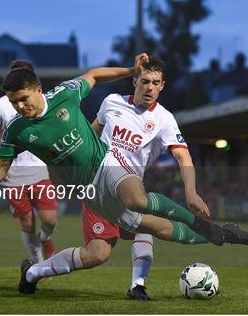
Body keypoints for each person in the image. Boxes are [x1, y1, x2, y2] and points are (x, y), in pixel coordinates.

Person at [0, 53, 248, 295]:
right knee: (126, 243)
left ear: (38, 90)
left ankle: (205, 228)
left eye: (24, 99)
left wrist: (129, 70)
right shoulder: (16, 129)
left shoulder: (65, 95)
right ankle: (31, 273)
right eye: (14, 102)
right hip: (90, 193)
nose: (20, 106)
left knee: (136, 198)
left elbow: (93, 75)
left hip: (108, 166)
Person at [84, 55, 202, 300]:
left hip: (130, 190)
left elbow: (183, 156)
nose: (149, 87)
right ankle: (34, 272)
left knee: (144, 226)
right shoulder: (111, 102)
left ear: (162, 86)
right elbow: (91, 135)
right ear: (134, 80)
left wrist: (191, 191)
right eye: (145, 81)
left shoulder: (164, 119)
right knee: (97, 255)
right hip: (99, 188)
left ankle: (138, 285)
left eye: (155, 83)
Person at [0, 61, 58, 262]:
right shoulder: (0, 105)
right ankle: (39, 264)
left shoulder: (44, 102)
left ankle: (46, 239)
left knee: (50, 220)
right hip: (13, 174)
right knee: (26, 221)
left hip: (39, 170)